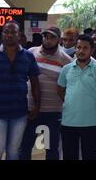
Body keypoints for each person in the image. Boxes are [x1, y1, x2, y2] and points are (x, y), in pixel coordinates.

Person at [0, 21, 41, 160]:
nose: (9, 35)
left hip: (20, 113)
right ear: (2, 35)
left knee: (13, 152)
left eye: (13, 32)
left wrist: (37, 106)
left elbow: (35, 83)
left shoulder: (28, 57)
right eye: (6, 32)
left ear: (20, 35)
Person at [19, 26, 72, 160]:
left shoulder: (66, 61)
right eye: (45, 37)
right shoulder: (31, 53)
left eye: (52, 37)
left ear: (59, 40)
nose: (48, 40)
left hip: (52, 113)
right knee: (25, 146)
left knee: (49, 148)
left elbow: (69, 85)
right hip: (30, 109)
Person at [57, 34, 96, 160]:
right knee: (69, 156)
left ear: (92, 50)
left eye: (85, 48)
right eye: (78, 47)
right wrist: (71, 102)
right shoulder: (66, 69)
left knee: (89, 155)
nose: (81, 51)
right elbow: (60, 90)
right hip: (68, 121)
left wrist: (95, 107)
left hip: (90, 122)